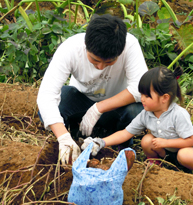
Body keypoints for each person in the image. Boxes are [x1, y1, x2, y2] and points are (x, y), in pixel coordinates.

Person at [37, 14, 148, 165]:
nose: (101, 67)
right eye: (94, 60)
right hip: (82, 104)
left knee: (137, 111)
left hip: (116, 109)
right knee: (59, 101)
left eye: (109, 62)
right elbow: (47, 94)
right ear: (85, 45)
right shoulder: (71, 48)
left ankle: (118, 141)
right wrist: (63, 136)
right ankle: (75, 131)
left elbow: (140, 88)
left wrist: (99, 108)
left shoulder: (130, 45)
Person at [81, 66, 193, 178]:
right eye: (142, 94)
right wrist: (101, 142)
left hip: (187, 149)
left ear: (165, 98)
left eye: (147, 96)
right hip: (166, 151)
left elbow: (191, 140)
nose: (142, 99)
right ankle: (155, 166)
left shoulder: (178, 114)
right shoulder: (146, 114)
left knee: (184, 156)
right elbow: (125, 133)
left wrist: (165, 142)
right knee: (146, 140)